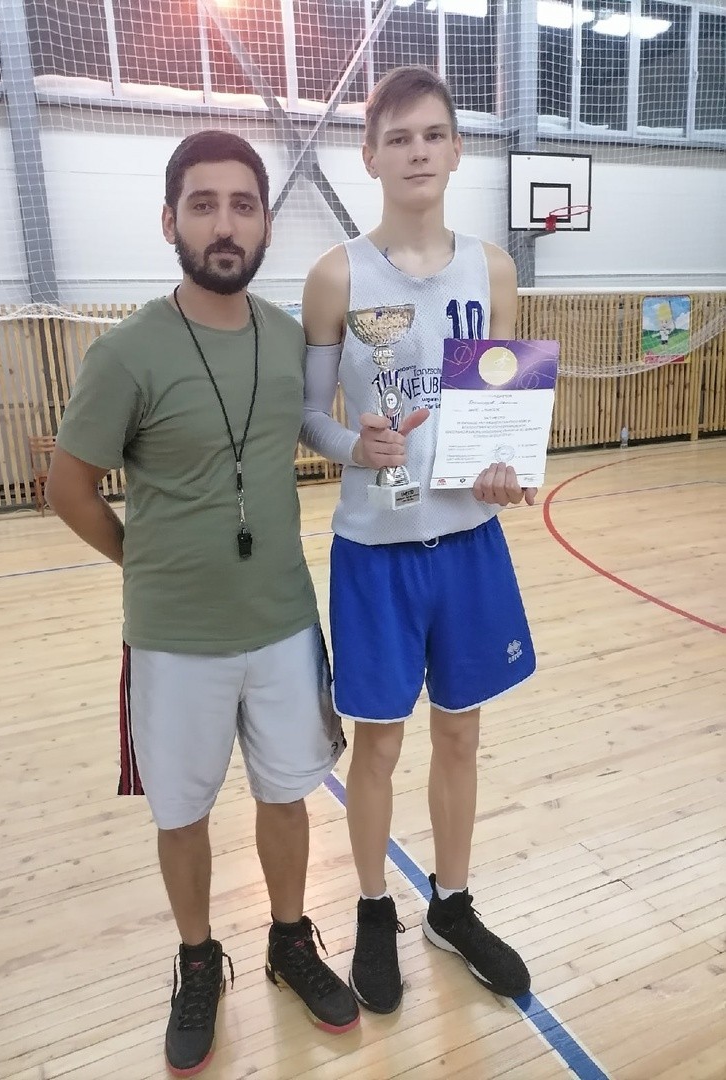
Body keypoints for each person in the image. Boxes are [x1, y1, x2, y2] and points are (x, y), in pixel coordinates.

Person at [46, 129, 359, 1077]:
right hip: (174, 639)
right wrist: (143, 565)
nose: (225, 224)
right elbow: (68, 487)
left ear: (265, 223)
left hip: (284, 624)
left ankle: (290, 940)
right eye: (204, 204)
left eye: (243, 205)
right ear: (170, 220)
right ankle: (195, 959)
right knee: (180, 813)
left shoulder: (287, 341)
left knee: (287, 796)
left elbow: (326, 426)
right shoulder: (127, 353)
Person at [300, 67, 535, 1015]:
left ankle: (452, 904)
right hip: (376, 550)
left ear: (457, 149)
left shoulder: (495, 269)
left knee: (462, 732)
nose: (418, 151)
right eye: (398, 137)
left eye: (433, 134)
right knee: (379, 743)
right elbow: (310, 418)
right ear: (369, 155)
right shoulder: (337, 275)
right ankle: (372, 910)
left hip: (469, 543)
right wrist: (355, 445)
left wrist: (504, 465)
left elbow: (498, 407)